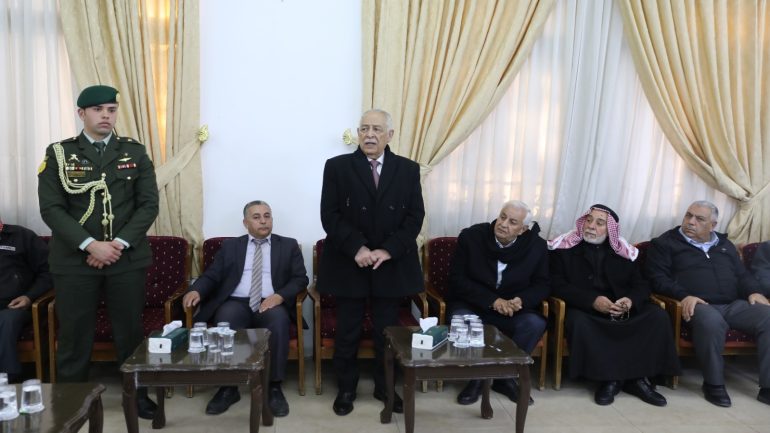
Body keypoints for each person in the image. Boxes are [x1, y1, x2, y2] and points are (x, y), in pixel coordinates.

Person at [37, 85, 159, 418]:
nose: (106, 115)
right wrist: (91, 245)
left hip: (126, 259)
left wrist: (116, 245)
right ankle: (70, 401)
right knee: (74, 334)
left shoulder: (134, 152)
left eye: (111, 110)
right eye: (97, 110)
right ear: (82, 113)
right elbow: (51, 209)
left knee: (130, 331)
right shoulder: (59, 153)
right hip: (74, 261)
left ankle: (137, 397)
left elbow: (148, 205)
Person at [318, 109, 425, 416]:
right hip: (349, 261)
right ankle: (346, 388)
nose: (369, 134)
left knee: (386, 333)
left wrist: (388, 250)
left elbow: (415, 216)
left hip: (390, 264)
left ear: (389, 135)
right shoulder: (337, 166)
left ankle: (385, 386)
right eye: (364, 128)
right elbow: (329, 215)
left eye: (377, 129)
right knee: (347, 331)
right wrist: (358, 248)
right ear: (358, 133)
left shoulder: (408, 169)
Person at [182, 200, 308, 417]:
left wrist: (279, 296)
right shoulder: (231, 246)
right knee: (226, 318)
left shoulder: (288, 245)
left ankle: (274, 386)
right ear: (245, 223)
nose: (263, 221)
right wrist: (197, 290)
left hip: (270, 302)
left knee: (279, 321)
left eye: (267, 216)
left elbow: (300, 278)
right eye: (256, 217)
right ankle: (229, 387)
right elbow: (213, 275)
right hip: (237, 301)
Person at [549, 204, 680, 406]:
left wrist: (630, 301)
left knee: (658, 316)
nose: (591, 226)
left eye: (599, 223)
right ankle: (608, 380)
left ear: (610, 229)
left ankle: (638, 379)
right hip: (585, 307)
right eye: (589, 220)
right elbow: (556, 284)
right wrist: (592, 301)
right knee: (580, 322)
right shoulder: (564, 248)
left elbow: (642, 284)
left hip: (620, 307)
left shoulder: (624, 252)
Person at [646, 200, 770, 407]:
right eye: (688, 215)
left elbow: (742, 275)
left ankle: (768, 388)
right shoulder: (665, 243)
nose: (690, 222)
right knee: (712, 323)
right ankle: (714, 384)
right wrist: (685, 295)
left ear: (712, 225)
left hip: (733, 304)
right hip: (697, 304)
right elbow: (657, 278)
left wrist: (754, 291)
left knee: (768, 317)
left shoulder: (724, 245)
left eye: (699, 219)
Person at [447, 200, 549, 406]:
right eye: (502, 217)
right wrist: (493, 301)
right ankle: (476, 379)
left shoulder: (536, 247)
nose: (503, 224)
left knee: (534, 324)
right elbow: (457, 280)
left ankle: (506, 377)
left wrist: (521, 300)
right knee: (464, 320)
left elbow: (543, 284)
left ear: (523, 230)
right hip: (473, 303)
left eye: (512, 222)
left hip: (511, 308)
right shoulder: (472, 237)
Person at [0, 219, 52, 382]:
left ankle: (6, 380)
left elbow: (48, 272)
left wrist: (29, 297)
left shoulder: (22, 236)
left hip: (15, 306)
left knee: (7, 321)